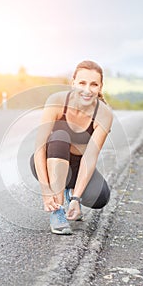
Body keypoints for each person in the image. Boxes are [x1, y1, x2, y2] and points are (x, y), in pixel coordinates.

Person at [30, 60, 113, 235]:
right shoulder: (57, 101)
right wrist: (46, 190)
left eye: (93, 84)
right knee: (60, 136)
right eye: (82, 83)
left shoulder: (104, 114)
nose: (87, 89)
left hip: (76, 166)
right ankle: (57, 211)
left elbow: (90, 157)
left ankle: (71, 194)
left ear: (100, 87)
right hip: (50, 159)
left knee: (100, 197)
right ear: (73, 83)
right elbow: (39, 148)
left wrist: (76, 198)